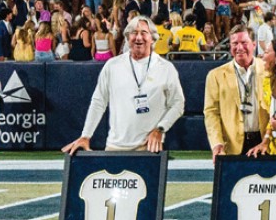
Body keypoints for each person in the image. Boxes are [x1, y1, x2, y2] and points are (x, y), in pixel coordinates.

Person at [63, 16, 185, 153]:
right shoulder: (112, 65)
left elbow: (178, 103)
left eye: (144, 33)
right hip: (115, 147)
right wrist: (85, 135)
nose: (138, 37)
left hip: (149, 148)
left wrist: (160, 128)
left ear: (153, 38)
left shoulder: (166, 68)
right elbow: (98, 102)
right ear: (127, 37)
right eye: (134, 32)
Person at [203, 26, 268, 157]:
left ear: (254, 45)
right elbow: (211, 113)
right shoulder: (215, 75)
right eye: (235, 43)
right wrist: (217, 143)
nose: (239, 48)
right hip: (231, 147)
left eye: (244, 43)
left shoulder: (269, 70)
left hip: (265, 144)